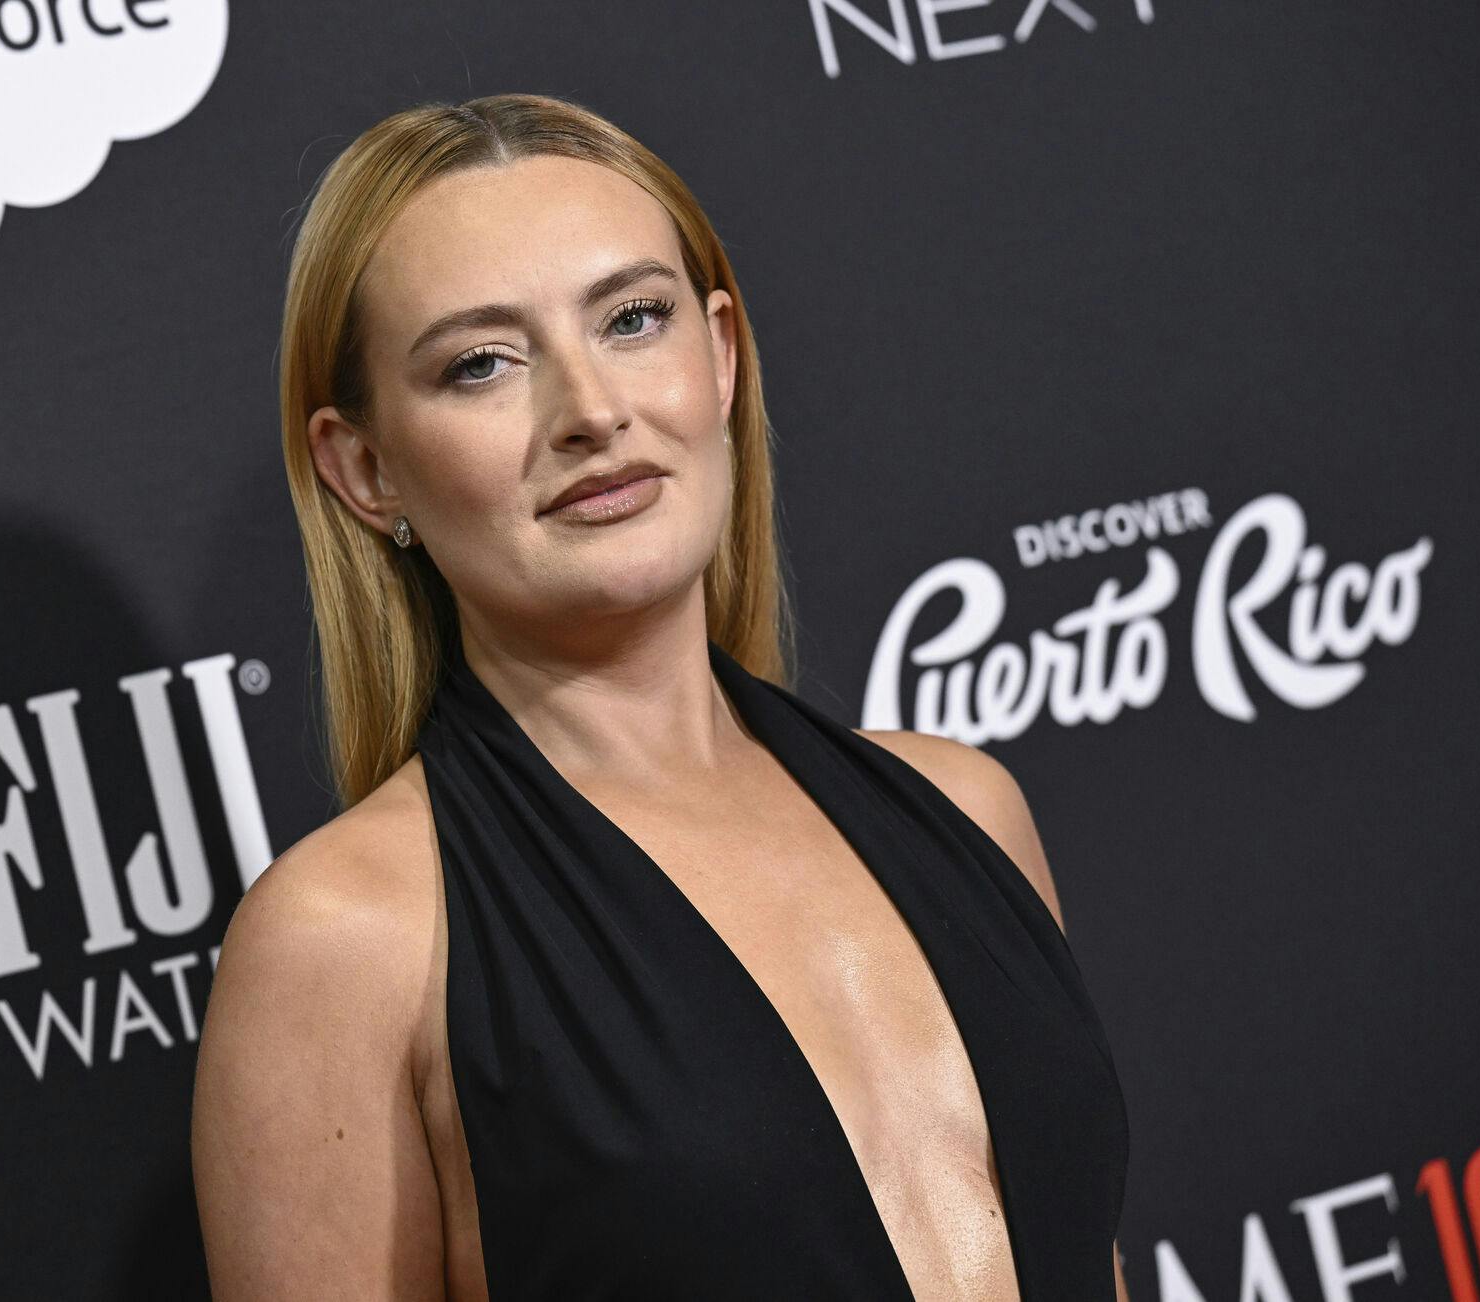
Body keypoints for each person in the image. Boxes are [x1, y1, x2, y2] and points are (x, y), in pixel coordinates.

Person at [191, 92, 1131, 1301]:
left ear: (722, 357)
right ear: (366, 472)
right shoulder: (351, 943)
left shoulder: (966, 807)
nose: (591, 411)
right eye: (482, 364)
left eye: (634, 318)